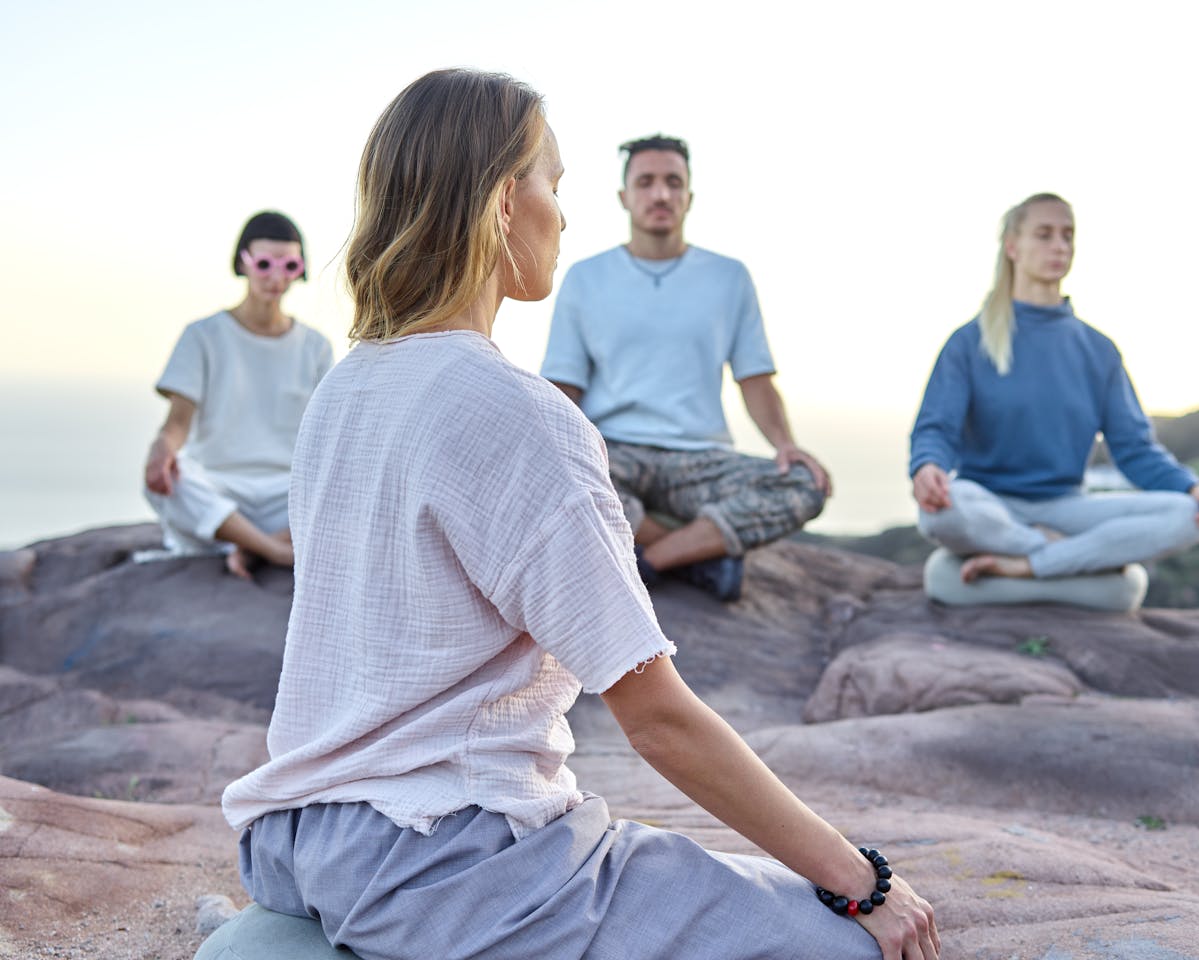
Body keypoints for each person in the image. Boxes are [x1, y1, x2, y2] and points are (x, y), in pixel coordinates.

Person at [219, 69, 939, 960]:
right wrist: (862, 879)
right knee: (858, 946)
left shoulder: (343, 388)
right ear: (500, 204)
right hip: (448, 864)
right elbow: (658, 720)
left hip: (300, 842)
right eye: (553, 184)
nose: (565, 212)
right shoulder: (514, 412)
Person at [539, 134, 829, 602]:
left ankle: (651, 559)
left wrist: (787, 445)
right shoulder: (586, 278)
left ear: (689, 196)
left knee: (804, 485)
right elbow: (563, 386)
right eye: (646, 182)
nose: (660, 194)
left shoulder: (728, 276)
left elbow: (755, 378)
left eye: (673, 183)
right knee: (560, 476)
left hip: (701, 461)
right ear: (624, 197)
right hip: (616, 454)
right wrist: (550, 451)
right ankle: (702, 554)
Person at [909, 192, 1199, 585]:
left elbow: (1135, 449)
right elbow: (936, 428)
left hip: (1066, 507)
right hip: (990, 505)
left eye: (1067, 235)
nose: (1059, 246)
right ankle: (1059, 553)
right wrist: (928, 467)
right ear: (1012, 246)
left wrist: (1194, 488)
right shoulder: (968, 342)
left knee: (1186, 516)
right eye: (1044, 235)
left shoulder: (1098, 350)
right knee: (942, 510)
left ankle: (1028, 563)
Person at [143, 211, 332, 578]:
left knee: (356, 482)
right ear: (242, 263)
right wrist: (161, 447)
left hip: (287, 494)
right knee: (168, 482)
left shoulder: (316, 347)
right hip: (219, 486)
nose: (276, 277)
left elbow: (327, 439)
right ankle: (275, 551)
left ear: (300, 270)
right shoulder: (202, 336)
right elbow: (178, 423)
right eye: (264, 264)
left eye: (289, 265)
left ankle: (248, 545)